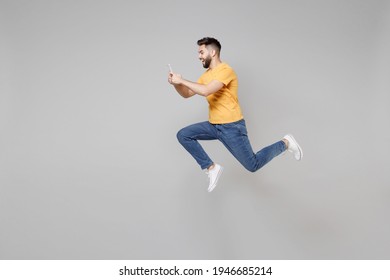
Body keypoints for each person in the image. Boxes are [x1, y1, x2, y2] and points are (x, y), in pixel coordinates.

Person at [168, 37, 303, 192]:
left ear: (212, 52)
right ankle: (210, 167)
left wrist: (182, 79)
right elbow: (187, 94)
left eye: (201, 52)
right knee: (183, 135)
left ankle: (285, 143)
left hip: (232, 127)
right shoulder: (206, 75)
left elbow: (205, 90)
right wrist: (176, 84)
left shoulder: (226, 70)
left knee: (253, 165)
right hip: (214, 125)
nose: (198, 56)